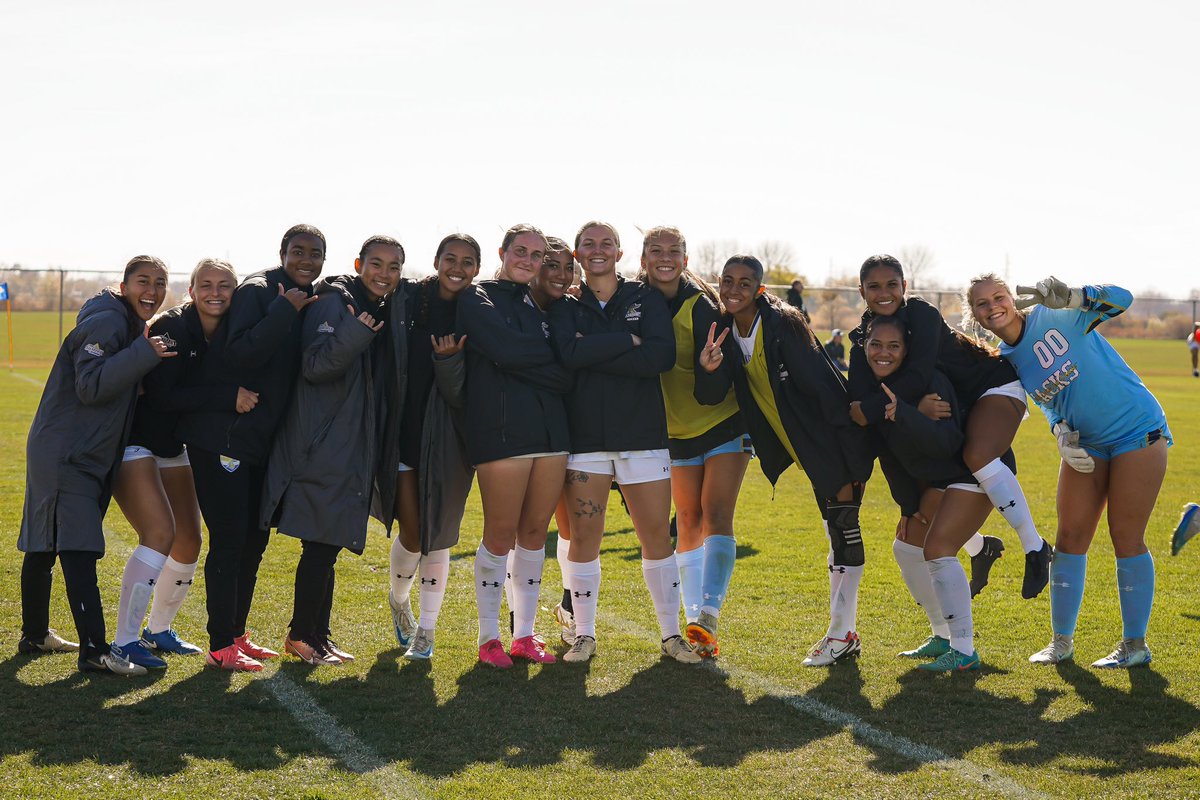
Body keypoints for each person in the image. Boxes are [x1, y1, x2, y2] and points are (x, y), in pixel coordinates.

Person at [969, 273, 1169, 668]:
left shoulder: (1055, 314)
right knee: (1070, 536)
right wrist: (1059, 430)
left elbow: (1124, 298)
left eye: (998, 296)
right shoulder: (1003, 361)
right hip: (1085, 443)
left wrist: (1078, 296)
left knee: (1126, 537)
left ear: (1012, 298)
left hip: (1136, 431)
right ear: (974, 314)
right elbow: (1046, 400)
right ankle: (1061, 641)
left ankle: (1135, 644)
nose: (993, 306)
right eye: (981, 303)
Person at [698, 255, 873, 667]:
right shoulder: (723, 328)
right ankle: (843, 633)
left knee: (843, 531)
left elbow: (825, 388)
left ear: (760, 288)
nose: (734, 289)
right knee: (835, 533)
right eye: (727, 281)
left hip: (831, 443)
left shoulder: (784, 325)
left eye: (745, 282)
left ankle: (841, 634)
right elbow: (712, 394)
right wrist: (708, 369)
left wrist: (848, 454)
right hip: (805, 449)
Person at [849, 254, 1052, 599]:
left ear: (905, 287)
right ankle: (980, 549)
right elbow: (860, 396)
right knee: (937, 487)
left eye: (892, 285)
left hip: (991, 386)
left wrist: (871, 409)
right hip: (959, 406)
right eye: (874, 286)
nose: (884, 293)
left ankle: (1035, 548)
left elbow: (918, 375)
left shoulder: (921, 314)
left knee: (977, 455)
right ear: (862, 290)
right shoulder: (864, 335)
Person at [546, 221, 699, 666]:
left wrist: (593, 351)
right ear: (577, 254)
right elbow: (567, 356)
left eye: (606, 244)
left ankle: (672, 636)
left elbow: (659, 356)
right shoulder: (566, 305)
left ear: (619, 252)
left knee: (655, 538)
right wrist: (624, 343)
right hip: (587, 441)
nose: (598, 250)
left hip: (643, 438)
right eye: (588, 244)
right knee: (585, 538)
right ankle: (584, 635)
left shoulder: (645, 297)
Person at [18, 256, 176, 675]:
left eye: (160, 283)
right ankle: (94, 651)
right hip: (68, 452)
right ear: (123, 286)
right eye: (143, 281)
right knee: (78, 546)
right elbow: (90, 386)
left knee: (44, 542)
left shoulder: (124, 323)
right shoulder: (108, 320)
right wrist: (143, 354)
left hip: (71, 448)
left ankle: (34, 634)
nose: (152, 290)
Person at [178, 223, 323, 672]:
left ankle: (237, 635)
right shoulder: (259, 291)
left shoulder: (308, 294)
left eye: (315, 253)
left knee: (253, 541)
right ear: (282, 253)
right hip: (224, 438)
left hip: (260, 442)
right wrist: (283, 311)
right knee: (229, 541)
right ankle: (221, 644)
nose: (305, 260)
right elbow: (236, 355)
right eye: (297, 251)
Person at [262, 235, 406, 665]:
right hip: (324, 442)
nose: (384, 273)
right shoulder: (333, 303)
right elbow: (316, 366)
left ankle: (317, 634)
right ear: (360, 263)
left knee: (328, 546)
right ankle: (301, 635)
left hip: (350, 442)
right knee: (320, 547)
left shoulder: (378, 305)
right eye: (376, 264)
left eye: (394, 266)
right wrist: (356, 331)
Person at [110, 258, 251, 670]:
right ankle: (123, 644)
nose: (215, 293)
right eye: (205, 284)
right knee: (160, 533)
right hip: (138, 441)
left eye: (224, 286)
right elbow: (162, 398)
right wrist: (227, 396)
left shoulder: (229, 330)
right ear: (191, 291)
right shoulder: (173, 326)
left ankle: (159, 630)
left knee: (190, 540)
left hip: (174, 446)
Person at [859, 314, 1013, 670]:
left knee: (938, 550)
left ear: (907, 350)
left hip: (974, 469)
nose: (884, 353)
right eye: (875, 344)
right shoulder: (874, 389)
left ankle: (964, 650)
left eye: (894, 346)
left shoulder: (930, 382)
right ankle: (942, 634)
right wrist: (907, 506)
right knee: (907, 547)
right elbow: (890, 457)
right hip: (942, 477)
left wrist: (906, 414)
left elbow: (948, 444)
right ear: (864, 346)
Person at [456, 224, 571, 668]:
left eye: (537, 255)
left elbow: (565, 371)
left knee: (533, 536)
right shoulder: (476, 296)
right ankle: (488, 639)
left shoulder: (548, 306)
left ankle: (524, 635)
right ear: (503, 252)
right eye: (520, 251)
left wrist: (523, 358)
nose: (529, 260)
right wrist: (542, 358)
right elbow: (504, 350)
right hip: (501, 434)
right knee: (499, 534)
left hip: (552, 435)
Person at [640, 226, 750, 658]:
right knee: (686, 519)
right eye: (656, 251)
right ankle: (691, 622)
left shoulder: (701, 305)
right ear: (644, 258)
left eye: (674, 252)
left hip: (722, 421)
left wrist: (708, 368)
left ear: (685, 260)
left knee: (716, 513)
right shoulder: (635, 300)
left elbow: (716, 386)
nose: (665, 258)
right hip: (675, 432)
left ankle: (708, 613)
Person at [382, 233, 480, 661]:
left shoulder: (480, 308)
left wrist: (450, 363)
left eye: (467, 261)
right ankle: (398, 598)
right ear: (437, 261)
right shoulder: (407, 297)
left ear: (478, 267)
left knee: (438, 536)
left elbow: (464, 392)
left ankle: (426, 632)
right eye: (451, 259)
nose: (458, 267)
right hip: (405, 432)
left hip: (452, 438)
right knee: (415, 532)